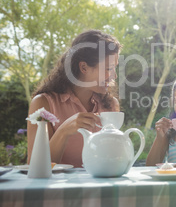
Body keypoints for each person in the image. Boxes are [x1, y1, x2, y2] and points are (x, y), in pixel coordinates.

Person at [27, 30, 121, 168]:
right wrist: (64, 130)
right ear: (83, 67)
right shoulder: (44, 103)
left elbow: (115, 160)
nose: (114, 76)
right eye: (109, 68)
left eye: (115, 68)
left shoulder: (110, 105)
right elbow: (34, 166)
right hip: (59, 189)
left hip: (100, 188)